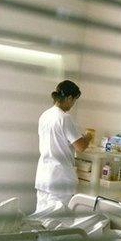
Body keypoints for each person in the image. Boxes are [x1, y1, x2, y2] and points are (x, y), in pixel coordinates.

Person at [35, 80, 93, 212]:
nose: (73, 105)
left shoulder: (45, 115)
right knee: (58, 221)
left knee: (41, 218)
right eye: (74, 101)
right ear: (69, 98)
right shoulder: (64, 118)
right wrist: (88, 137)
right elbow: (80, 147)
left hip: (44, 176)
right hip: (59, 179)